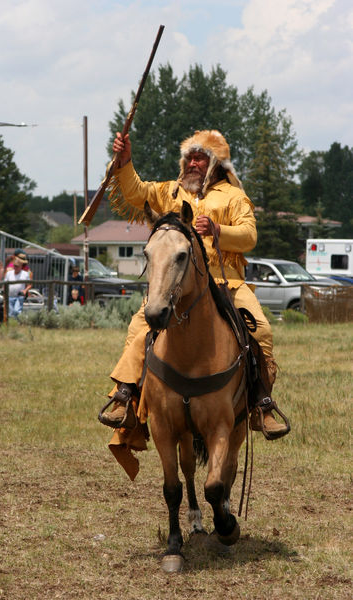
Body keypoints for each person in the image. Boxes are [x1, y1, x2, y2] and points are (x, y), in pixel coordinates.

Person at [99, 129, 289, 440]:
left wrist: (218, 229)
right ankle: (127, 399)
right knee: (139, 328)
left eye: (200, 157)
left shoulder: (234, 197)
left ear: (216, 164)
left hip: (226, 281)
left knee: (262, 331)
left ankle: (261, 405)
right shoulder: (169, 192)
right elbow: (134, 192)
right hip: (174, 283)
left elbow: (250, 236)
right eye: (189, 157)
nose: (193, 163)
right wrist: (125, 159)